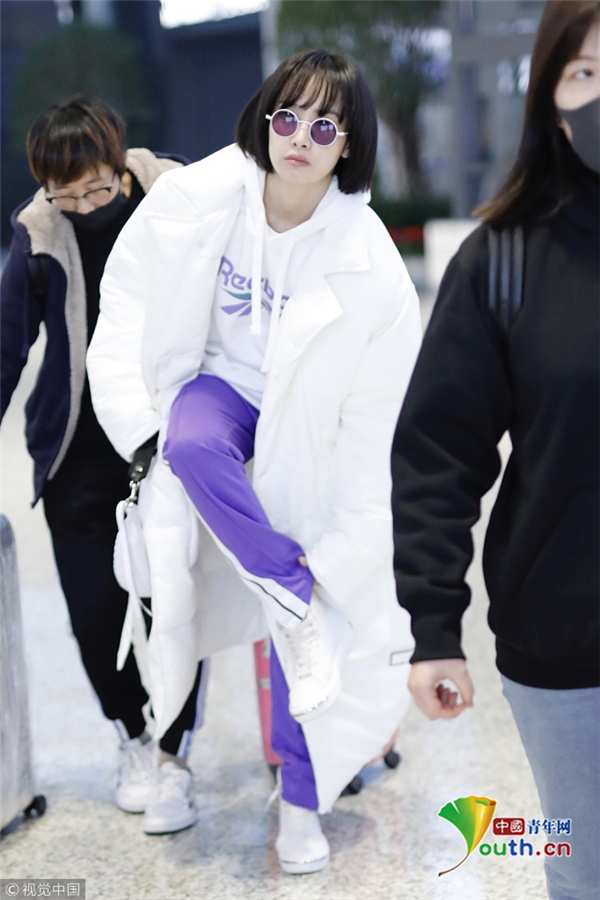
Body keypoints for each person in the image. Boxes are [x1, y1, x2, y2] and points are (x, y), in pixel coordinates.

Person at [87, 49, 422, 873]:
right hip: (219, 391)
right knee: (189, 445)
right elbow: (126, 301)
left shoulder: (369, 258)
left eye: (324, 126)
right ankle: (284, 586)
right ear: (265, 121)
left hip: (309, 434)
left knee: (311, 643)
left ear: (350, 144)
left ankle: (302, 810)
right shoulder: (199, 197)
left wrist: (350, 526)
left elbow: (378, 409)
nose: (300, 138)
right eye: (288, 117)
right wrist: (138, 427)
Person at [391, 3, 599, 899]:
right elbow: (438, 452)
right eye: (585, 73)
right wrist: (435, 628)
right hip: (569, 646)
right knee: (587, 870)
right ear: (548, 95)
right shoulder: (502, 261)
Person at [0, 96, 207, 835]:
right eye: (67, 196)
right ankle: (134, 738)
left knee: (172, 606)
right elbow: (7, 346)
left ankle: (176, 758)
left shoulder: (176, 196)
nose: (85, 208)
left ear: (119, 165)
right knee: (93, 613)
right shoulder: (38, 231)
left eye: (96, 189)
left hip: (165, 444)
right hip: (76, 454)